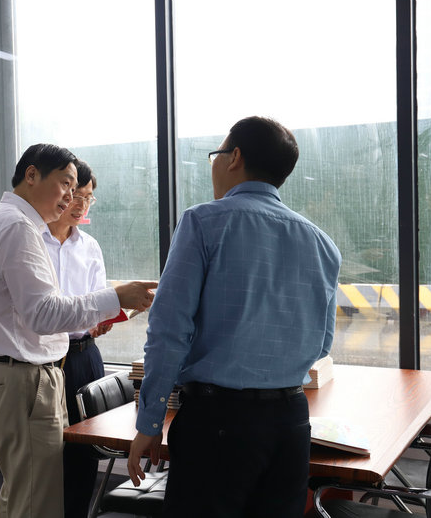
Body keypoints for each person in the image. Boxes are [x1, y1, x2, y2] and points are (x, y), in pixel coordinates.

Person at [127, 117, 342, 517]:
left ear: (235, 157)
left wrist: (150, 422)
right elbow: (322, 345)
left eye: (217, 154)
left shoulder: (203, 222)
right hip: (291, 423)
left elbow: (169, 332)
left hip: (218, 423)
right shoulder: (322, 243)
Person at [0, 143, 157, 518]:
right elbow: (44, 314)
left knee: (28, 491)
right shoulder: (18, 228)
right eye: (66, 184)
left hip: (32, 373)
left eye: (79, 191)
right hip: (27, 378)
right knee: (36, 499)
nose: (71, 198)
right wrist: (117, 297)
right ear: (32, 175)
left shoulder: (7, 221)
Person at [41, 160, 112, 518]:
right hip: (50, 358)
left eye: (88, 198)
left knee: (85, 452)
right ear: (61, 194)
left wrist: (103, 320)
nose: (81, 205)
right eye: (76, 195)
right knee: (48, 452)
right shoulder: (33, 242)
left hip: (86, 355)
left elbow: (98, 299)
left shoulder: (89, 246)